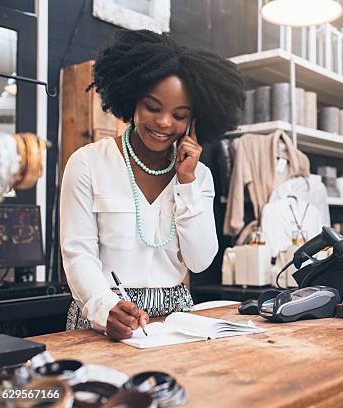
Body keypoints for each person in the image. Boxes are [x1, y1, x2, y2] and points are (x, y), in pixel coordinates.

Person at [60, 29, 244, 339]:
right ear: (132, 101)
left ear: (194, 121)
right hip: (103, 314)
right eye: (153, 108)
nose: (164, 123)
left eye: (180, 115)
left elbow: (199, 262)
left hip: (177, 321)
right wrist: (106, 308)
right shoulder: (87, 163)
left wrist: (186, 182)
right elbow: (78, 254)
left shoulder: (199, 176)